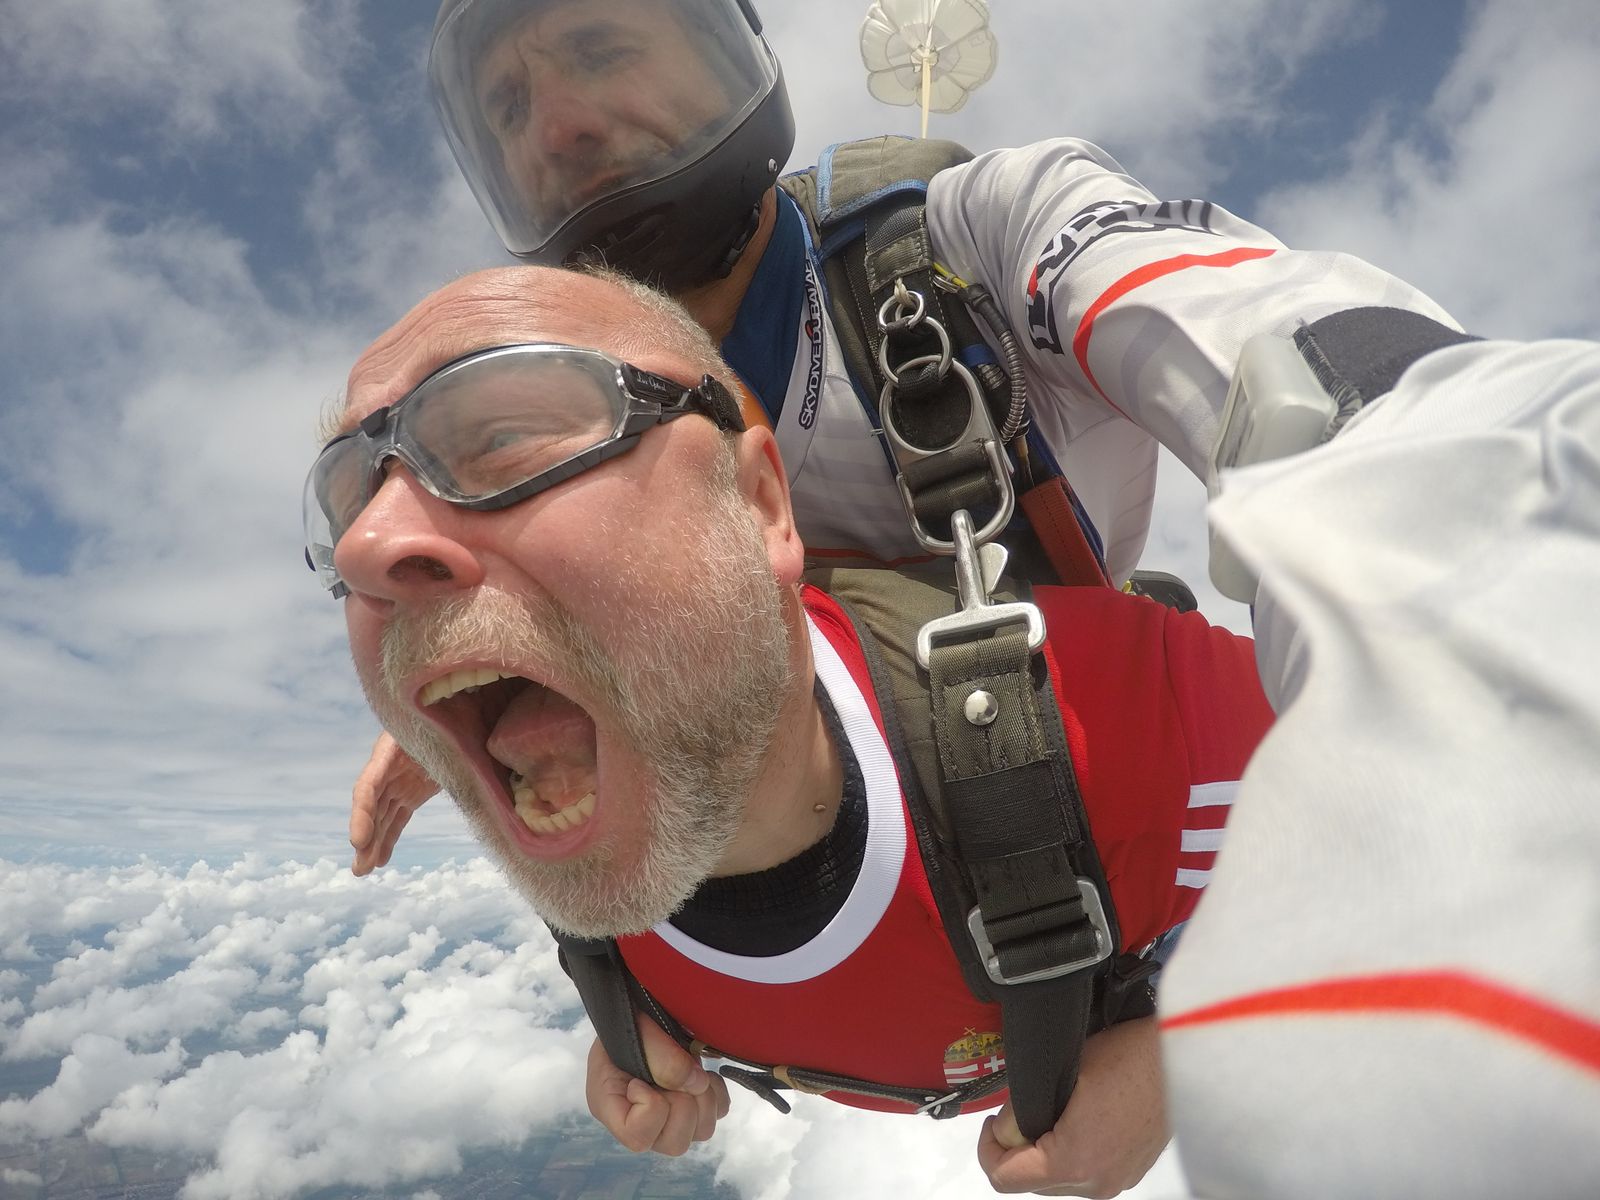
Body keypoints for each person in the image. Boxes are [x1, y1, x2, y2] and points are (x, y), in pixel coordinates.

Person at [348, 0, 1460, 868]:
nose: (557, 126)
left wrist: (1436, 492)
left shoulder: (975, 239)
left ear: (728, 55)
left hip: (1101, 796)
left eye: (597, 48)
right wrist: (505, 671)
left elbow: (1257, 329)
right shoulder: (581, 428)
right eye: (505, 109)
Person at [307, 264, 1276, 1196]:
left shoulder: (1107, 723)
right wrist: (629, 1018)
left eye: (506, 440)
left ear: (761, 503)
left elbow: (1420, 810)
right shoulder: (581, 809)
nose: (371, 543)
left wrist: (1188, 1051)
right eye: (347, 498)